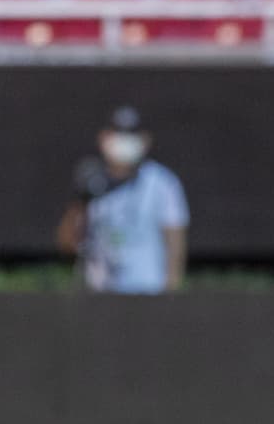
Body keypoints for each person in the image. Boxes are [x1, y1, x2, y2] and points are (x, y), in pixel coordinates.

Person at [56, 105, 189, 294]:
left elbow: (175, 242)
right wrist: (80, 202)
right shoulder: (92, 182)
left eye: (131, 135)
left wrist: (170, 291)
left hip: (148, 293)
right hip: (100, 295)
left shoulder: (162, 182)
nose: (124, 142)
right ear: (103, 138)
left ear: (145, 140)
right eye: (118, 134)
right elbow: (68, 245)